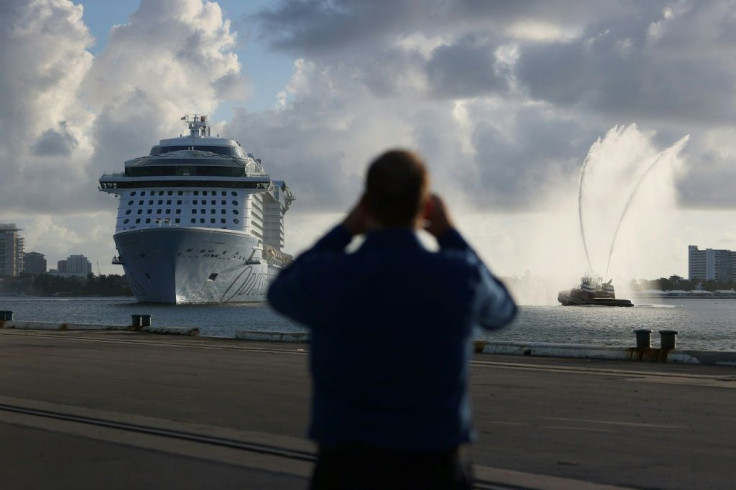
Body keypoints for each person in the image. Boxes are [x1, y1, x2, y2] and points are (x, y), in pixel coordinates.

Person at [267, 149, 517, 489]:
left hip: (345, 467)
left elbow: (279, 291)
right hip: (434, 465)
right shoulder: (459, 274)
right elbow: (504, 312)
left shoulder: (329, 276)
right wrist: (449, 235)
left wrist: (343, 230)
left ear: (365, 207)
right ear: (426, 208)